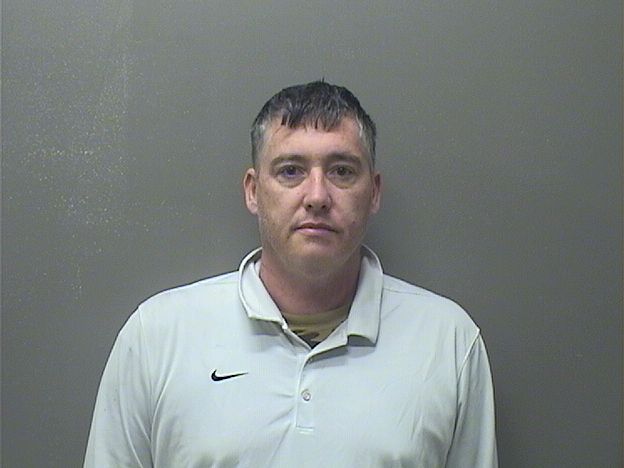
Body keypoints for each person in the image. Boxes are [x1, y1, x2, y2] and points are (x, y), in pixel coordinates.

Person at [84, 80, 498, 467]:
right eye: (290, 171)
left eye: (341, 171)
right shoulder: (157, 337)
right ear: (253, 191)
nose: (317, 196)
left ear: (373, 193)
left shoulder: (447, 342)